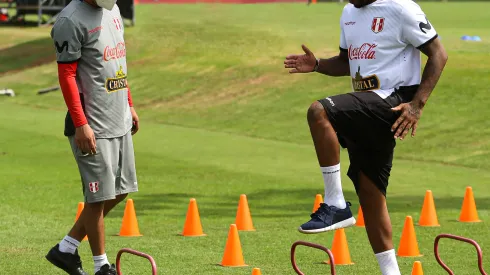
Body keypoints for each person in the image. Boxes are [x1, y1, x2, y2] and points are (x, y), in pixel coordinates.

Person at [284, 0, 447, 273]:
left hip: (395, 100)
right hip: (366, 106)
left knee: (319, 111)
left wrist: (417, 105)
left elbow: (439, 54)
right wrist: (317, 65)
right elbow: (348, 62)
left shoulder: (401, 8)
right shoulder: (349, 12)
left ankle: (335, 202)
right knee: (371, 194)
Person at [46, 0, 140, 273]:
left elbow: (117, 61)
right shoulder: (69, 20)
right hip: (91, 124)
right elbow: (67, 74)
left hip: (118, 116)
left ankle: (65, 249)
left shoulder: (113, 9)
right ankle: (102, 266)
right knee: (97, 198)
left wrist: (129, 103)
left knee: (120, 191)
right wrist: (81, 124)